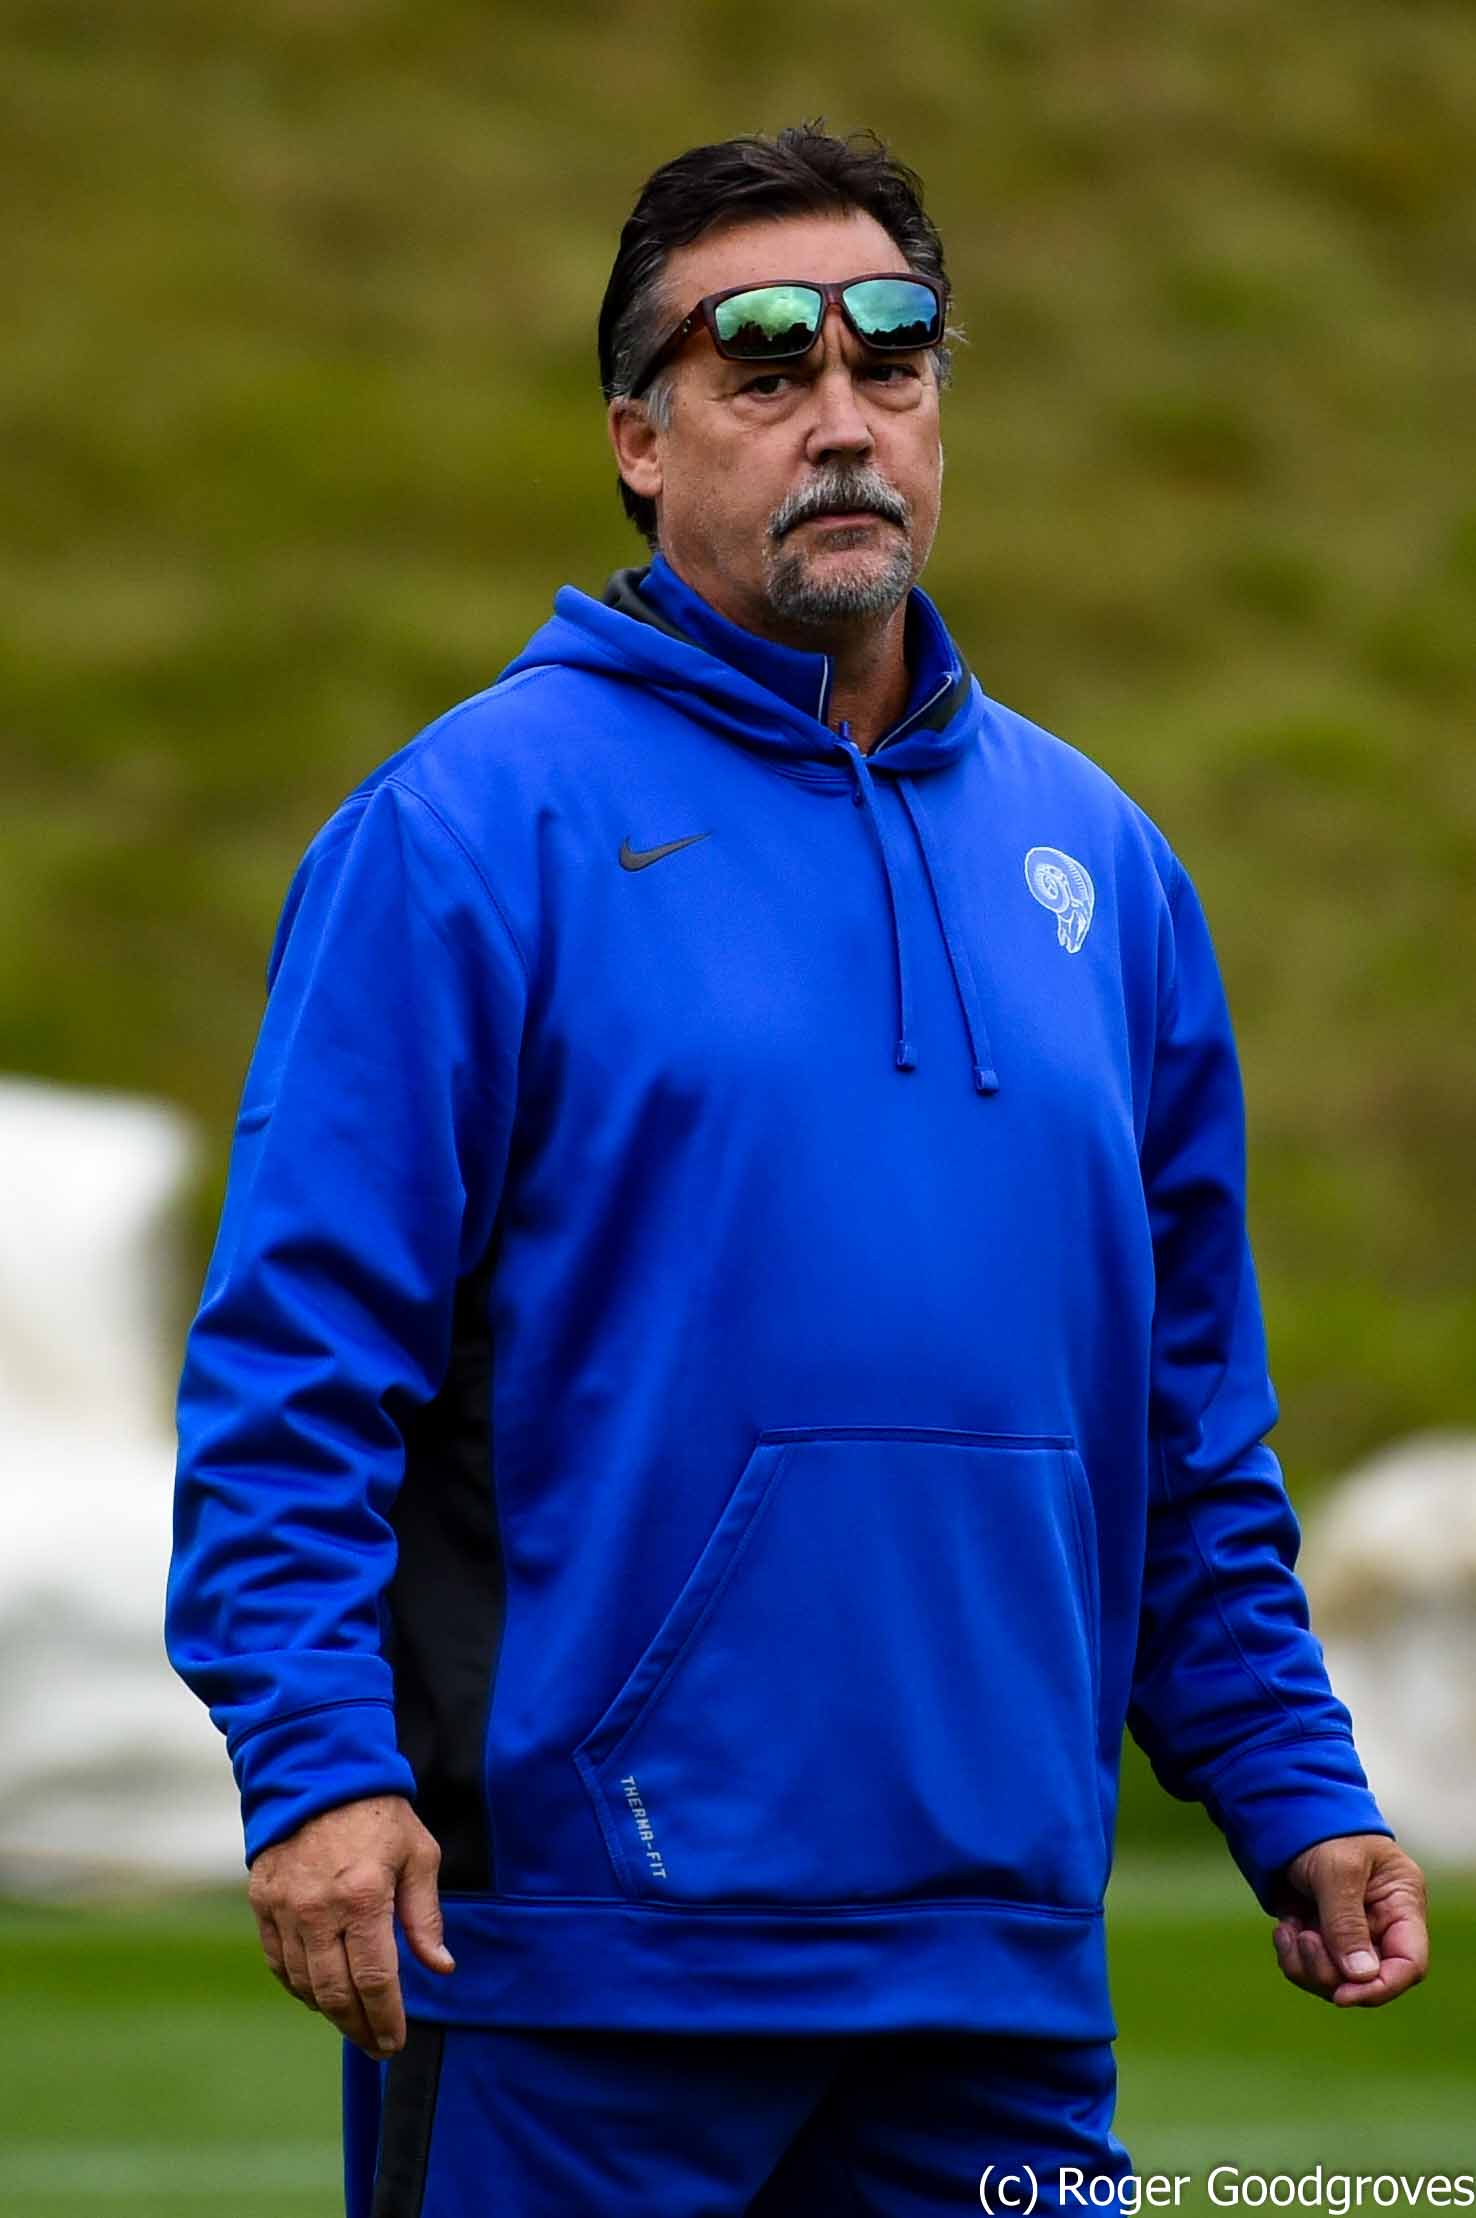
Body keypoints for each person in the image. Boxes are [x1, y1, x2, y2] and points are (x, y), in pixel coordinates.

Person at [166, 123, 1429, 2218]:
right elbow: (295, 1371)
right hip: (573, 1973)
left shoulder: (1103, 868)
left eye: (891, 362)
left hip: (997, 1983)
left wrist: (1295, 1781)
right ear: (639, 441)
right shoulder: (466, 834)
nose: (841, 417)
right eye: (763, 368)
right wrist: (316, 1767)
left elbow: (1186, 1420)